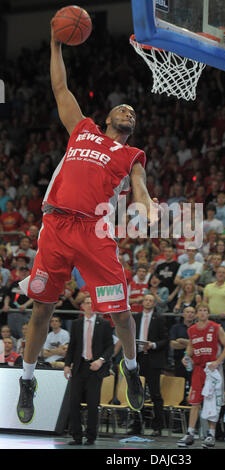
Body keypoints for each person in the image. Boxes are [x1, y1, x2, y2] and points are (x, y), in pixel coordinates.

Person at [16, 25, 159, 424]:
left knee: (122, 314)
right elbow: (60, 88)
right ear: (109, 115)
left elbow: (140, 187)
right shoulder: (83, 130)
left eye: (134, 112)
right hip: (57, 228)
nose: (128, 111)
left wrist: (147, 206)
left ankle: (130, 369)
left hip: (94, 234)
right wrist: (54, 43)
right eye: (124, 108)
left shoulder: (130, 154)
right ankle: (27, 379)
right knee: (41, 310)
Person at [177, 303, 225, 449]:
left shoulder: (216, 327)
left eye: (205, 310)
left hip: (212, 369)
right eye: (199, 310)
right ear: (196, 314)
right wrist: (186, 357)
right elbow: (190, 348)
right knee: (194, 401)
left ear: (208, 313)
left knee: (211, 402)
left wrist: (218, 361)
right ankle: (189, 433)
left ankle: (210, 435)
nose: (202, 313)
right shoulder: (192, 330)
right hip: (198, 369)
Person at [64, 295, 114, 445]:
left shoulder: (104, 324)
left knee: (93, 404)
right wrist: (67, 364)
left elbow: (110, 346)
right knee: (73, 402)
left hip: (95, 368)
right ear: (82, 306)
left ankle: (91, 436)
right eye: (86, 303)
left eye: (92, 303)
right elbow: (72, 346)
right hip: (79, 367)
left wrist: (101, 360)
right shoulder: (77, 323)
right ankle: (76, 436)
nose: (89, 305)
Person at [128, 294, 169, 436]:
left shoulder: (160, 318)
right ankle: (137, 425)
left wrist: (154, 345)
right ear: (142, 302)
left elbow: (165, 340)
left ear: (154, 303)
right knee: (137, 393)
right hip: (138, 358)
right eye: (146, 300)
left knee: (155, 393)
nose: (148, 302)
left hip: (153, 359)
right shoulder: (136, 317)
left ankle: (158, 427)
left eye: (151, 300)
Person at [203, 266, 225, 340]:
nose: (221, 274)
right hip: (210, 319)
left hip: (224, 320)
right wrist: (205, 313)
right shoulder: (208, 286)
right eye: (219, 272)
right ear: (216, 274)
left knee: (224, 342)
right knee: (210, 341)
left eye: (223, 273)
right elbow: (205, 302)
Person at [169, 306, 196, 399]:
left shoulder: (197, 327)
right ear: (183, 314)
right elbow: (172, 344)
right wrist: (191, 344)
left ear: (195, 315)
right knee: (180, 388)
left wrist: (181, 341)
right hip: (179, 361)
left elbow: (199, 345)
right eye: (187, 312)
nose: (189, 314)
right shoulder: (176, 327)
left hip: (195, 361)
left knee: (194, 386)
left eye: (192, 312)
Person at [3, 266, 33, 339]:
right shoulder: (14, 284)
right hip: (12, 313)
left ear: (29, 273)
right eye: (22, 271)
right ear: (18, 273)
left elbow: (34, 298)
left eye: (25, 271)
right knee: (12, 335)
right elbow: (7, 296)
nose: (23, 273)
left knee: (25, 335)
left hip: (25, 313)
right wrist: (6, 305)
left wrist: (25, 305)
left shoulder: (32, 284)